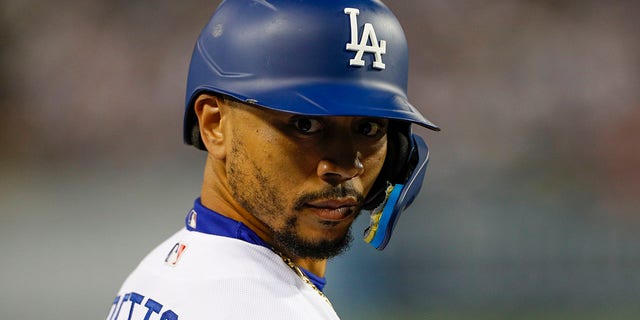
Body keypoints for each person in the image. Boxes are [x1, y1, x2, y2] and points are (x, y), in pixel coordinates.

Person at [105, 0, 439, 319]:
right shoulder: (267, 308)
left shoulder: (158, 273)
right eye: (305, 124)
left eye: (368, 128)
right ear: (214, 124)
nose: (345, 166)